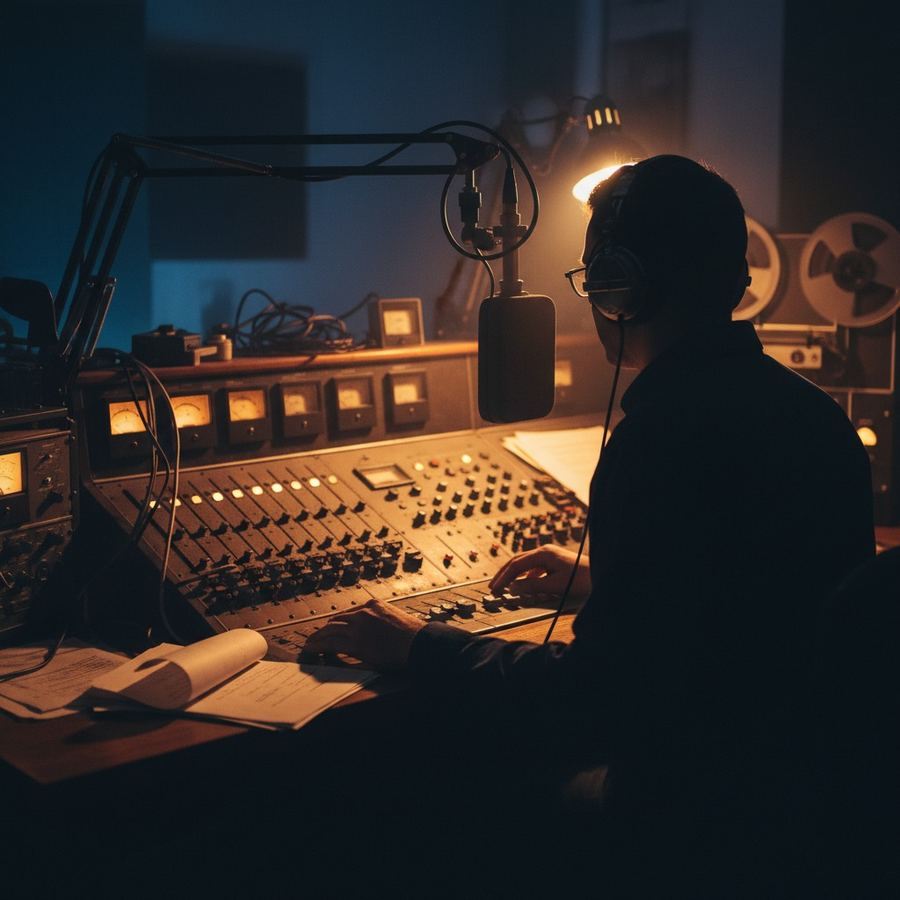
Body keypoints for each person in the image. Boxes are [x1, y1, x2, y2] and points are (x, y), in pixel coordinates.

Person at [305, 155, 875, 895]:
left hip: (697, 815)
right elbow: (754, 603)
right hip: (808, 804)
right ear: (737, 281)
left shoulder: (663, 438)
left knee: (430, 792)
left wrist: (420, 646)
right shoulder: (817, 417)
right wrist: (605, 580)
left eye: (595, 276)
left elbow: (593, 703)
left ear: (620, 287)